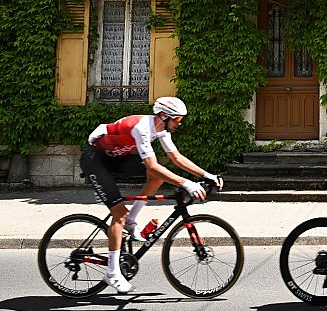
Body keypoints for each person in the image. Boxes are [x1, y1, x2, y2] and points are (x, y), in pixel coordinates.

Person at [80, 96, 222, 293]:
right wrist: (186, 183)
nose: (179, 124)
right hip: (95, 160)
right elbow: (152, 165)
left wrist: (207, 175)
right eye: (177, 120)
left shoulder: (162, 130)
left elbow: (176, 157)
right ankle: (112, 273)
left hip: (116, 158)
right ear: (164, 116)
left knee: (156, 177)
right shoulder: (142, 128)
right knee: (118, 214)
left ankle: (131, 221)